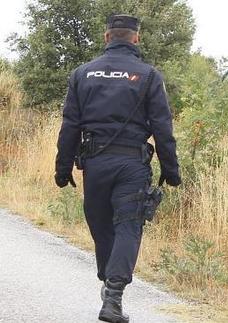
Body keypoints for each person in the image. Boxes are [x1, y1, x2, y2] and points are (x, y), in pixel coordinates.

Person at [54, 15, 181, 323]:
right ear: (136, 38)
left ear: (106, 36)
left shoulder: (82, 74)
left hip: (95, 165)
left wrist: (62, 167)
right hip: (132, 166)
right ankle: (112, 290)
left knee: (102, 227)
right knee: (128, 226)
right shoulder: (149, 76)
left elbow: (70, 125)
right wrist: (170, 168)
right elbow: (162, 128)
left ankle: (110, 292)